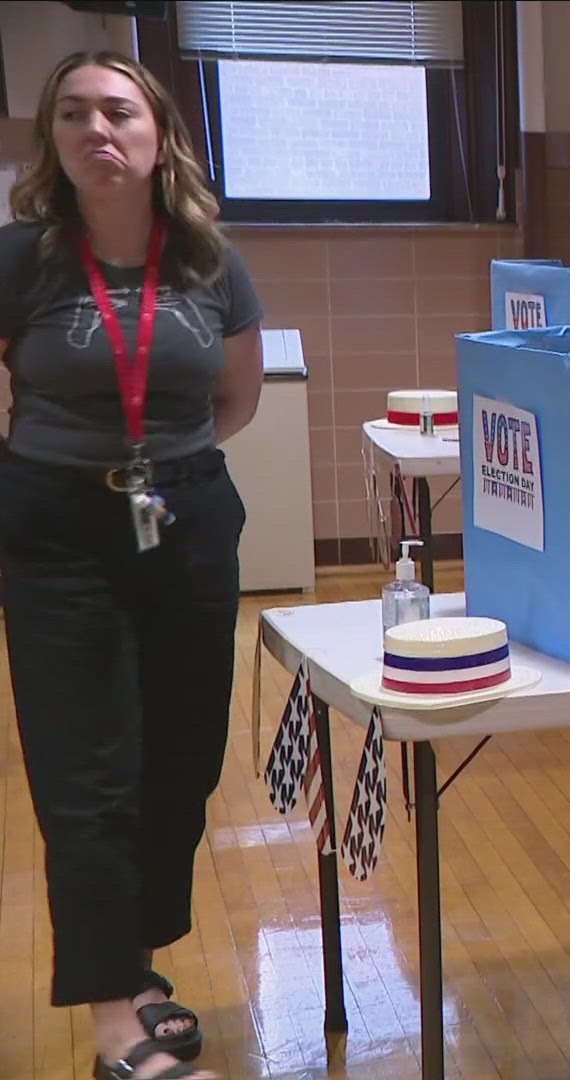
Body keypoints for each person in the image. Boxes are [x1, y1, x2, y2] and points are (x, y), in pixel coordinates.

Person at [0, 51, 263, 1080]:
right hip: (57, 529)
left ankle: (137, 963)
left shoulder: (207, 256)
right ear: (52, 141)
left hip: (186, 517)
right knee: (87, 771)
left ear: (158, 138)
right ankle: (114, 1020)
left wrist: (168, 457)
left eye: (116, 111)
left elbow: (235, 395)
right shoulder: (22, 259)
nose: (94, 129)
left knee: (181, 760)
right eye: (72, 114)